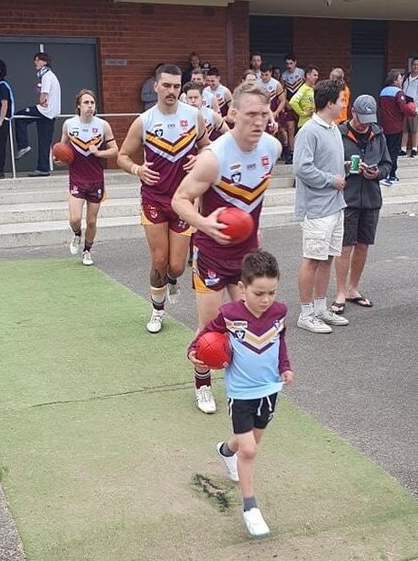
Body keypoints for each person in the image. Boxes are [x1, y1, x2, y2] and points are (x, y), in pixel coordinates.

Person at [172, 82, 282, 413]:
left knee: (252, 324)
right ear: (232, 114)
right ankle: (203, 384)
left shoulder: (273, 148)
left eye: (264, 114)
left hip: (247, 257)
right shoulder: (214, 157)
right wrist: (204, 223)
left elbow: (253, 197)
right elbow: (179, 199)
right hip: (211, 255)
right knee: (211, 329)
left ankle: (244, 384)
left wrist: (253, 227)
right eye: (250, 114)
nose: (258, 121)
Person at [188, 250, 292, 537]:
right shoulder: (229, 314)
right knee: (250, 449)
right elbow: (205, 334)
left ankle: (225, 450)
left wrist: (285, 367)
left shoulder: (279, 312)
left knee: (249, 442)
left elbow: (280, 340)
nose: (266, 299)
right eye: (259, 293)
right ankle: (250, 507)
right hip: (241, 392)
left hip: (270, 389)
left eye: (272, 292)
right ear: (242, 289)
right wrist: (193, 352)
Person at [118, 64, 209, 334]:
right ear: (156, 86)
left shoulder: (194, 116)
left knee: (177, 267)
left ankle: (172, 279)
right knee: (159, 259)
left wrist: (201, 157)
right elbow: (122, 155)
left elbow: (207, 146)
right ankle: (157, 311)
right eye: (166, 85)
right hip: (154, 200)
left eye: (176, 86)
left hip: (184, 200)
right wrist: (137, 169)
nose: (171, 91)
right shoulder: (144, 121)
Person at [293, 79, 349, 334]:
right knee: (312, 259)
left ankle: (320, 307)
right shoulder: (308, 131)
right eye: (341, 100)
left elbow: (324, 164)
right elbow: (302, 169)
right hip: (316, 208)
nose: (343, 104)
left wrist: (344, 169)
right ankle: (306, 313)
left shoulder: (334, 129)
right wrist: (332, 179)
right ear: (329, 103)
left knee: (327, 259)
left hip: (335, 205)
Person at [332, 95, 392, 313]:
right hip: (347, 198)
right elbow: (330, 164)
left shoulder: (378, 134)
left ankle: (352, 289)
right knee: (345, 246)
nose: (365, 124)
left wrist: (377, 173)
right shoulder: (338, 134)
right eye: (361, 118)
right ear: (353, 112)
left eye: (369, 119)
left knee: (363, 245)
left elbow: (388, 164)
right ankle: (339, 292)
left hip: (371, 197)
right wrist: (346, 167)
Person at [60, 89, 118, 266]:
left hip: (96, 180)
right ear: (78, 105)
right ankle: (77, 235)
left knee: (91, 221)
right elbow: (60, 148)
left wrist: (99, 152)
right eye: (86, 102)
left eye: (92, 103)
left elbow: (115, 150)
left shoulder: (102, 125)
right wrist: (59, 159)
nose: (90, 106)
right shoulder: (69, 124)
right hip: (77, 178)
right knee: (75, 219)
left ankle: (87, 250)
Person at [14, 52, 61, 177]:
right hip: (51, 113)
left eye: (37, 60)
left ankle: (23, 145)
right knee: (44, 141)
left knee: (19, 116)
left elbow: (43, 95)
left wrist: (42, 101)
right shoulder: (52, 75)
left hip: (45, 110)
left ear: (44, 62)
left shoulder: (46, 76)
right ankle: (43, 168)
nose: (35, 62)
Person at [378, 68, 416, 185]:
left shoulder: (383, 92)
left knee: (385, 150)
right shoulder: (398, 93)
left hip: (384, 125)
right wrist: (412, 109)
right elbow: (404, 109)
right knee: (393, 152)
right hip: (395, 127)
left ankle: (387, 173)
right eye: (400, 78)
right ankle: (390, 174)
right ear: (395, 80)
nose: (402, 81)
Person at [280, 55, 305, 162]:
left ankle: (302, 152)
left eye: (291, 63)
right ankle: (292, 152)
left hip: (300, 104)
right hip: (289, 105)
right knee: (290, 128)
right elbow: (282, 91)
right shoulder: (284, 75)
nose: (289, 66)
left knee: (302, 129)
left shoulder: (301, 73)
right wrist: (285, 102)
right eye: (287, 64)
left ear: (295, 63)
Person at [289, 66, 319, 131]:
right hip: (305, 124)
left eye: (317, 75)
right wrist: (303, 113)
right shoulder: (303, 89)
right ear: (308, 75)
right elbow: (293, 101)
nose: (317, 77)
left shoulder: (313, 88)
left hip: (313, 123)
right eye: (314, 75)